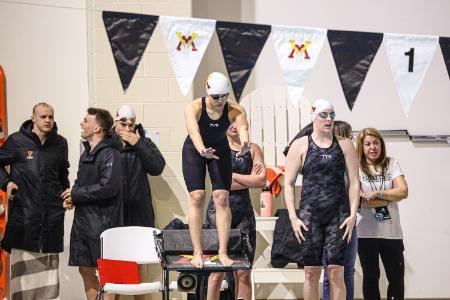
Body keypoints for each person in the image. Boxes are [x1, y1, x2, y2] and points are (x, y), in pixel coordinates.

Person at [284, 99, 359, 300]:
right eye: (324, 115)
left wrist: (352, 214)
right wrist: (293, 216)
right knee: (311, 272)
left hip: (339, 215)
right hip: (311, 217)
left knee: (336, 271)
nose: (329, 119)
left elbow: (354, 182)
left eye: (332, 115)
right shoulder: (300, 145)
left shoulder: (345, 145)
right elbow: (288, 183)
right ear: (314, 117)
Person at [0, 102, 69, 300]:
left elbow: (62, 173)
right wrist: (7, 183)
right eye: (43, 117)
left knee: (47, 288)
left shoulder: (60, 143)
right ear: (33, 118)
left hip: (51, 222)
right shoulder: (16, 141)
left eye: (51, 116)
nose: (48, 120)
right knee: (22, 287)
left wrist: (67, 194)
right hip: (24, 221)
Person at [183, 72, 250, 270]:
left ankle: (222, 251)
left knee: (221, 197)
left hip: (220, 149)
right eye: (216, 97)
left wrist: (245, 142)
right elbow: (193, 131)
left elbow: (243, 127)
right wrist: (201, 149)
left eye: (224, 96)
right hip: (195, 150)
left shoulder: (235, 109)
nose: (220, 101)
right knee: (197, 196)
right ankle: (197, 251)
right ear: (208, 91)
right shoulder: (194, 107)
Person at [62, 108, 122, 300]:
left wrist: (76, 193)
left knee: (107, 274)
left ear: (97, 128)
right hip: (84, 222)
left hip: (103, 223)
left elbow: (108, 187)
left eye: (86, 121)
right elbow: (80, 183)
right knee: (85, 270)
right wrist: (72, 198)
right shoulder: (86, 153)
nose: (82, 123)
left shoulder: (111, 153)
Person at [205, 122, 266, 300]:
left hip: (244, 215)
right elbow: (218, 182)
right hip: (217, 213)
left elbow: (261, 181)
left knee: (244, 272)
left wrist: (232, 175)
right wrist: (249, 178)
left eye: (238, 121)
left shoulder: (253, 149)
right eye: (229, 120)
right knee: (216, 273)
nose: (233, 125)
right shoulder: (215, 149)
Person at [355, 128, 408, 300]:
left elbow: (404, 191)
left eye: (376, 143)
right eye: (368, 144)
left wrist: (378, 194)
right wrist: (392, 197)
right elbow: (361, 200)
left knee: (396, 278)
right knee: (371, 278)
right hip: (365, 233)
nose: (373, 147)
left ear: (381, 145)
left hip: (392, 234)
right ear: (361, 147)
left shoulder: (391, 163)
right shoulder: (356, 167)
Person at [112, 105, 165, 227]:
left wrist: (139, 144)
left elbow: (157, 168)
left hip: (140, 210)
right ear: (116, 123)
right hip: (114, 209)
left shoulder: (145, 143)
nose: (128, 129)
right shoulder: (107, 145)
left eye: (131, 125)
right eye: (123, 125)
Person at [322, 120, 358, 300]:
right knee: (331, 273)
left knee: (348, 271)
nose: (351, 141)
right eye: (348, 137)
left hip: (349, 221)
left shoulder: (350, 165)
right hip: (330, 224)